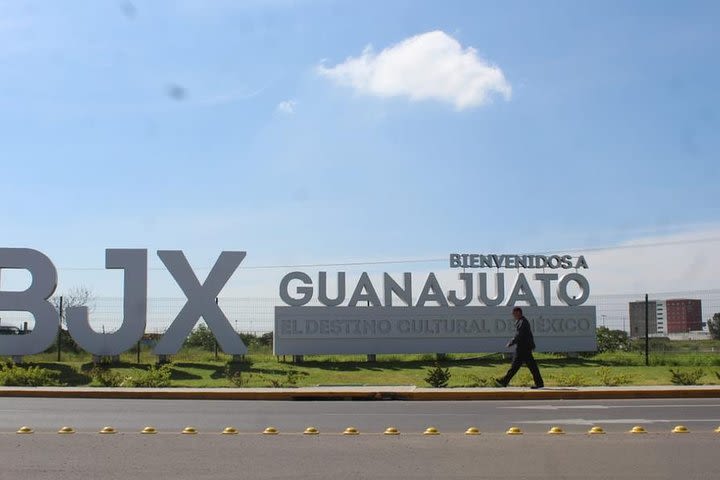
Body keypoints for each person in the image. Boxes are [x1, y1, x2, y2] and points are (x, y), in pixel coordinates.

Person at [496, 307, 544, 389]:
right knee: (521, 366)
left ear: (518, 313)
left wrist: (511, 342)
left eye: (514, 313)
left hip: (523, 348)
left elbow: (519, 335)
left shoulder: (522, 322)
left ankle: (504, 381)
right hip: (524, 348)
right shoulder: (521, 321)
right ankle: (504, 381)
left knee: (519, 366)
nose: (513, 315)